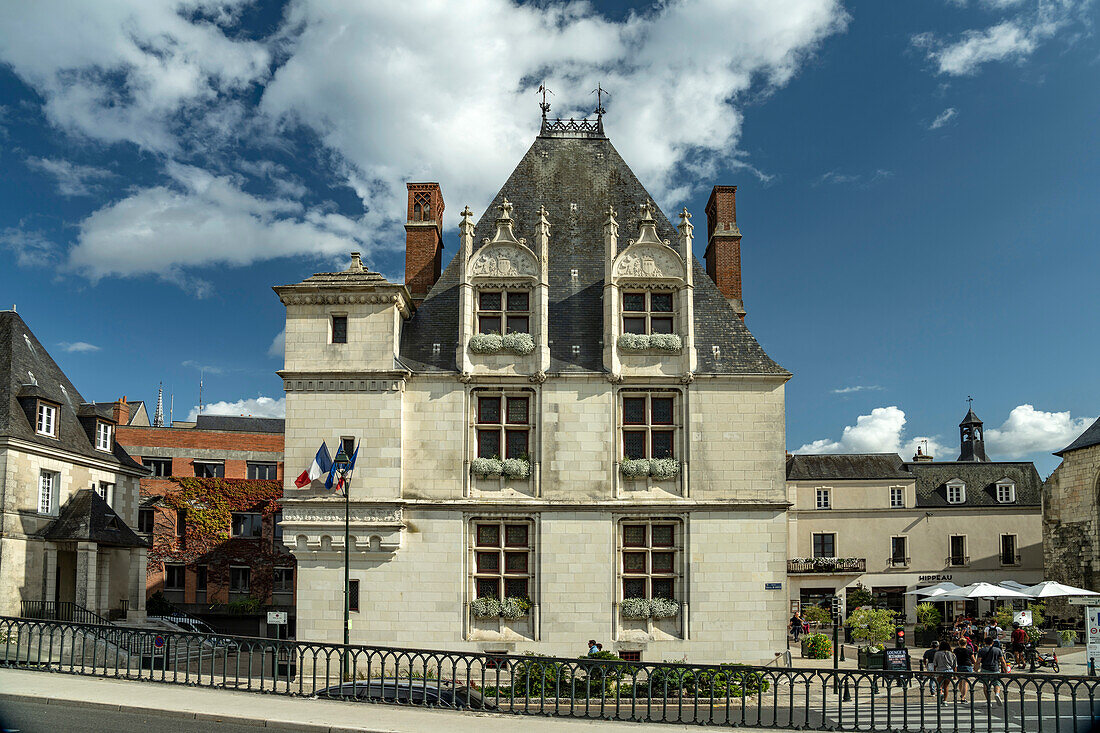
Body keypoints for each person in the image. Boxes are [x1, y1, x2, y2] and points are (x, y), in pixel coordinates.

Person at [976, 636, 1007, 705]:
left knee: (985, 685)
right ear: (992, 643)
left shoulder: (982, 650)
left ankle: (988, 701)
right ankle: (997, 694)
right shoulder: (997, 650)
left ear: (984, 642)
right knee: (996, 683)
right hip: (995, 669)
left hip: (985, 669)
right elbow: (1002, 661)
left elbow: (978, 661)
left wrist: (975, 670)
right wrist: (1005, 669)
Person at [953, 638, 976, 703]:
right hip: (967, 666)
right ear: (966, 643)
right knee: (965, 682)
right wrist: (975, 666)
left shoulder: (956, 650)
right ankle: (963, 697)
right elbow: (973, 659)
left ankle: (962, 694)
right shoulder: (969, 650)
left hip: (959, 666)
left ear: (959, 643)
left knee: (960, 681)